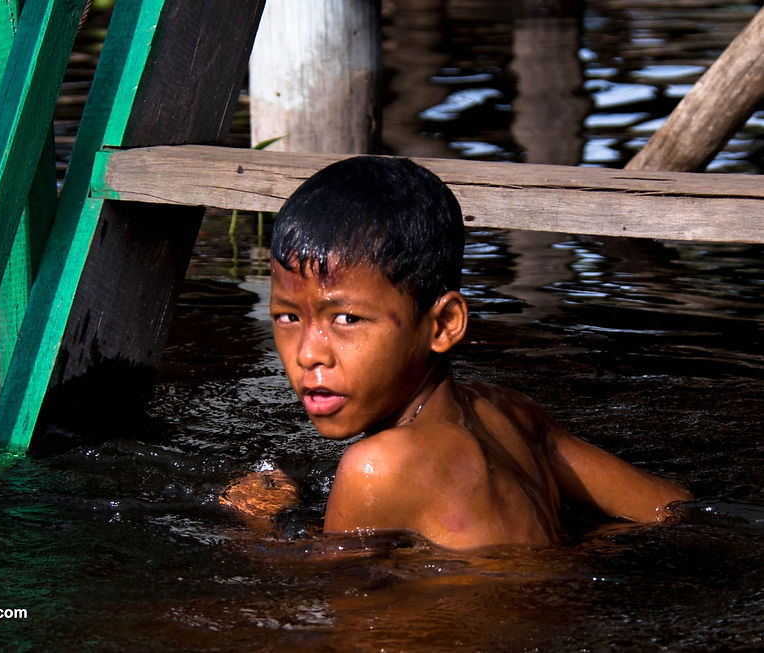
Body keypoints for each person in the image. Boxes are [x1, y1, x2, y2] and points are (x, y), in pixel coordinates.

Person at [220, 155, 692, 550]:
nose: (308, 355)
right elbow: (675, 511)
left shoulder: (379, 467)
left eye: (346, 319)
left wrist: (264, 525)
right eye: (287, 317)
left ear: (443, 324)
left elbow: (328, 611)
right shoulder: (509, 413)